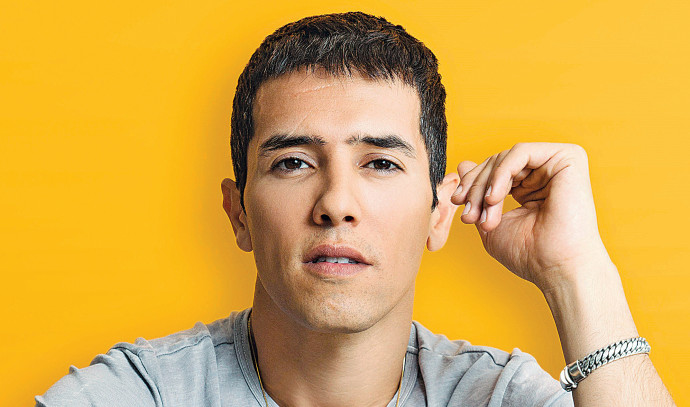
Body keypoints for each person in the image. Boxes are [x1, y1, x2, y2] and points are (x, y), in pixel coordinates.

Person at [36, 11, 675, 407]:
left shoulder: (497, 398)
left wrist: (577, 272)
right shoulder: (136, 395)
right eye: (293, 162)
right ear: (238, 214)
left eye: (381, 163)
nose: (337, 204)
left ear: (439, 213)